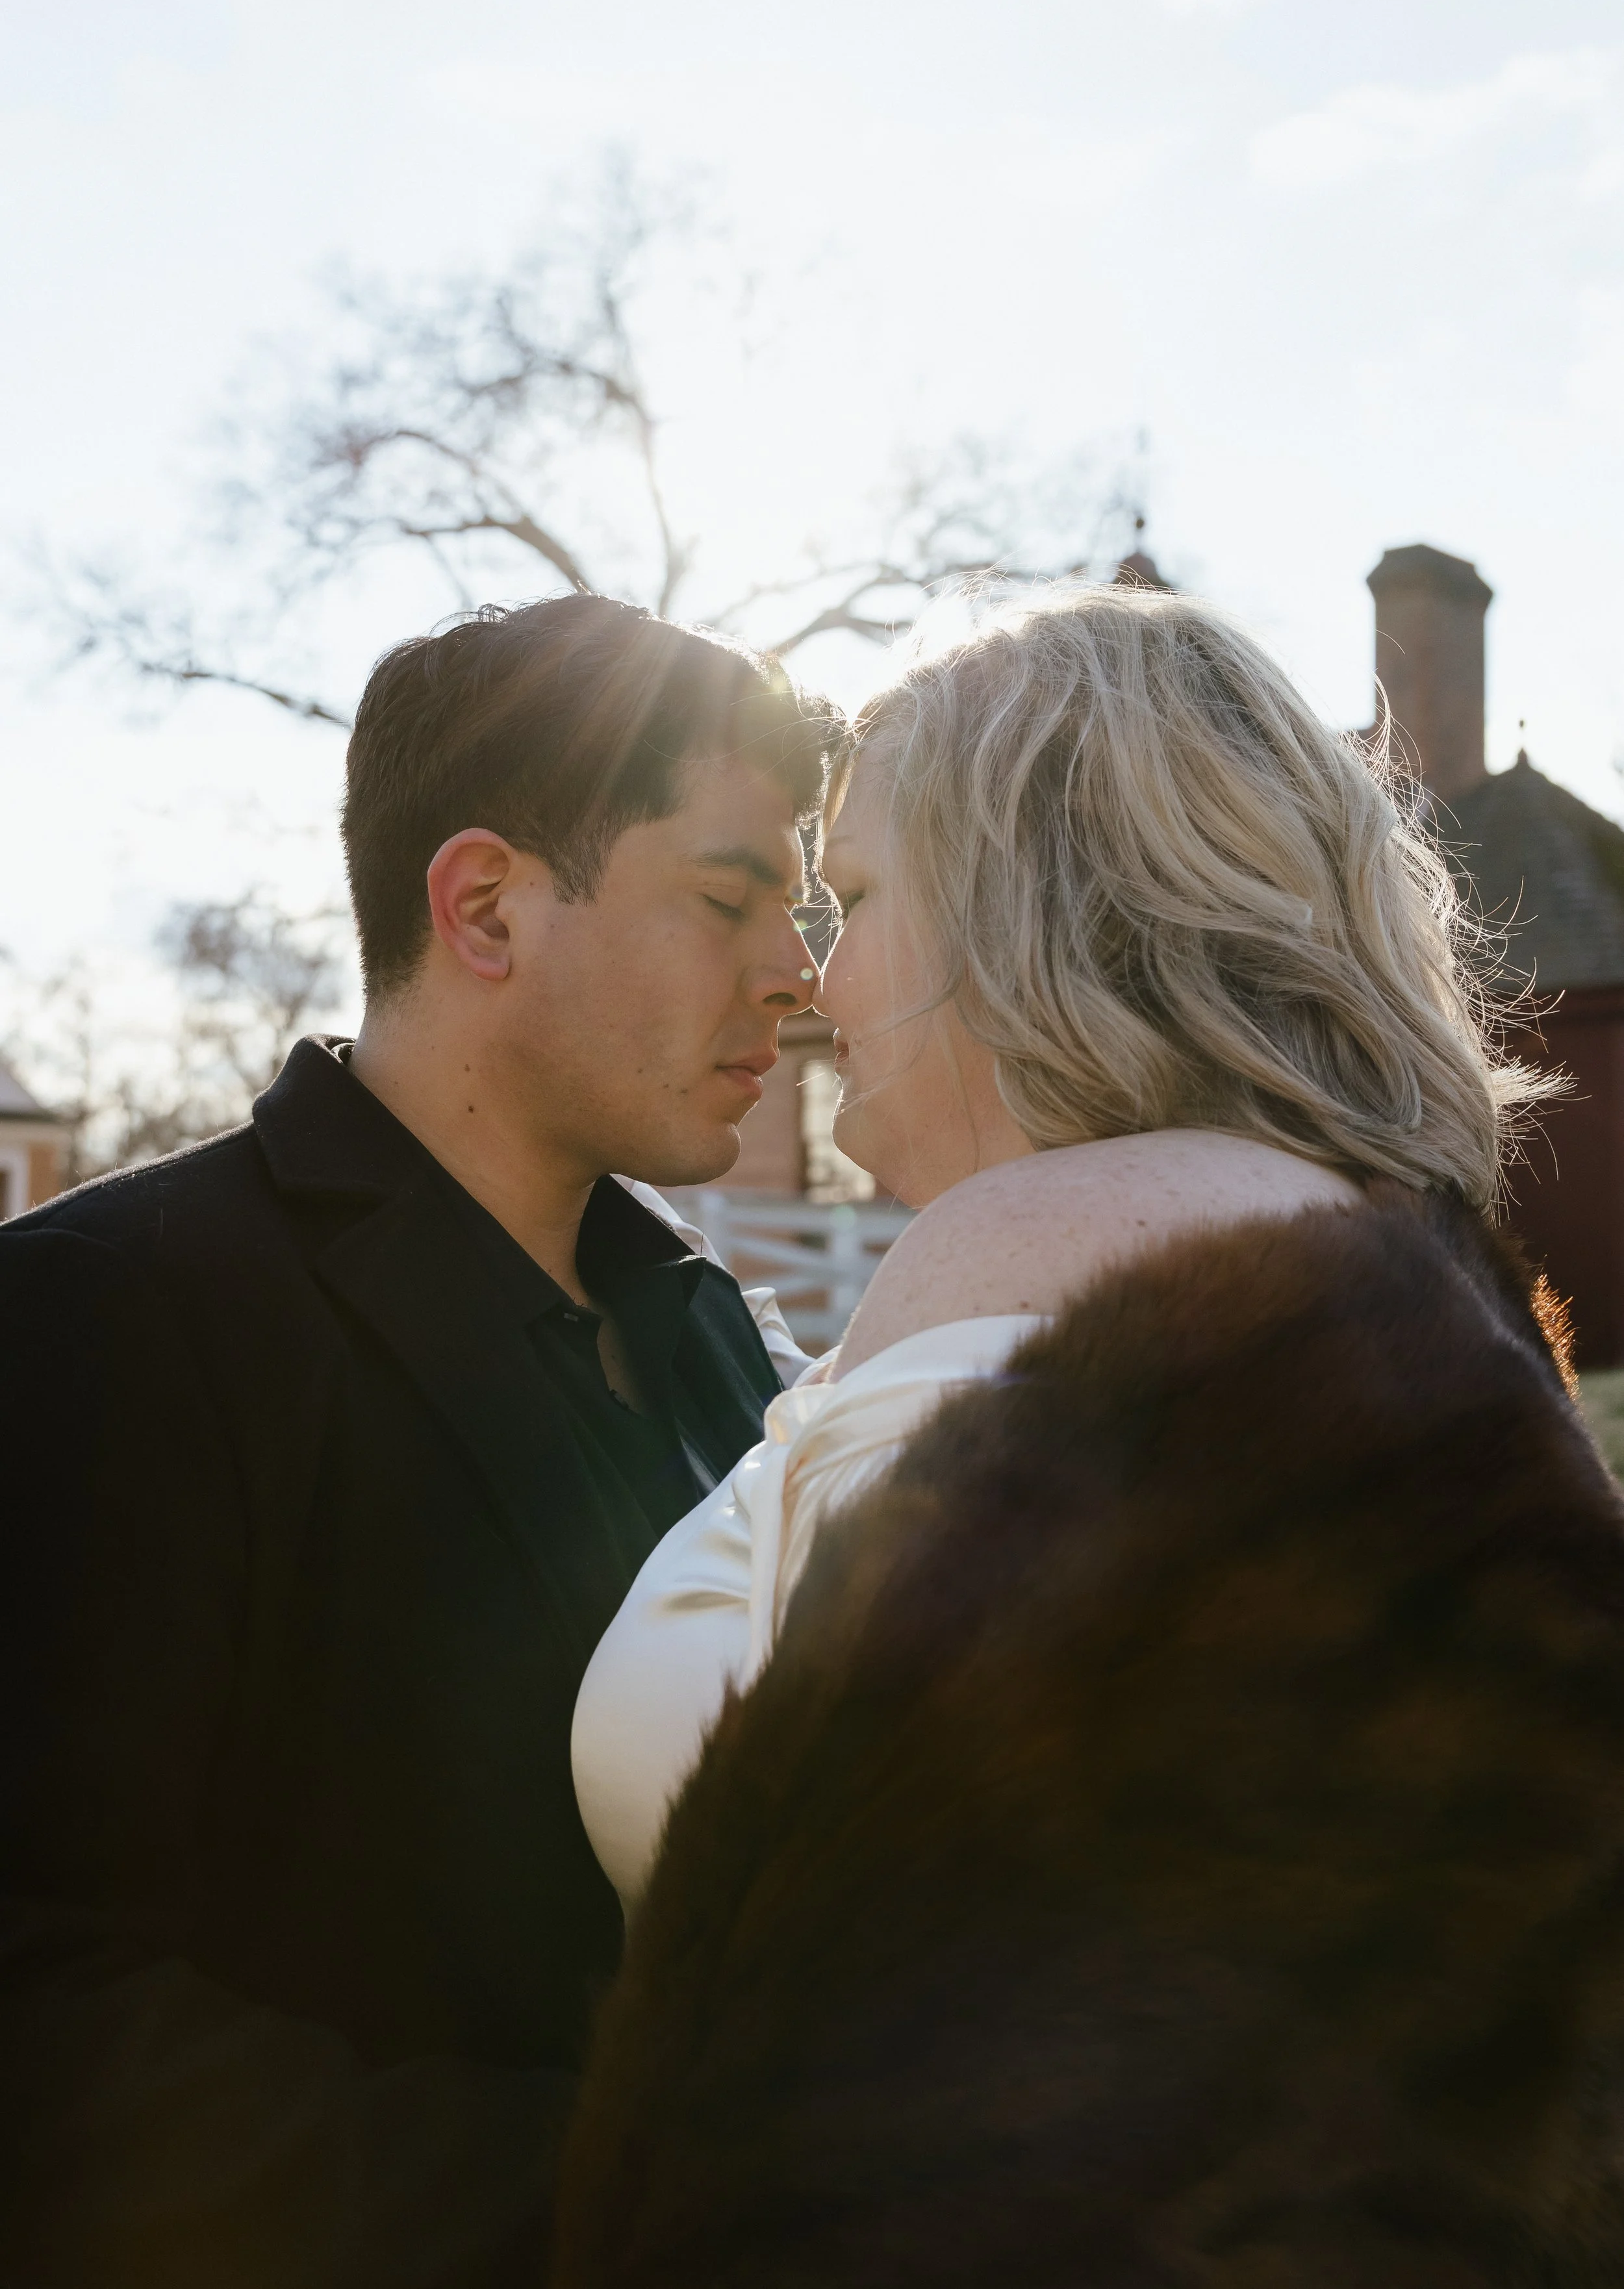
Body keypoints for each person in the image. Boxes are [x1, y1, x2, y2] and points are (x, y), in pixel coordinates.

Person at [557, 584, 1624, 2284]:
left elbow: (895, 2064)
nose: (821, 976)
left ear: (1018, 904)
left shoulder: (1043, 1238)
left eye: (858, 896)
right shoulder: (1396, 1277)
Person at [0, 592, 841, 2288]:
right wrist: (683, 2197)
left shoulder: (719, 1345)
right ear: (483, 908)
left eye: (802, 907)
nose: (795, 969)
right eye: (727, 896)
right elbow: (48, 2045)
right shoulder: (108, 1314)